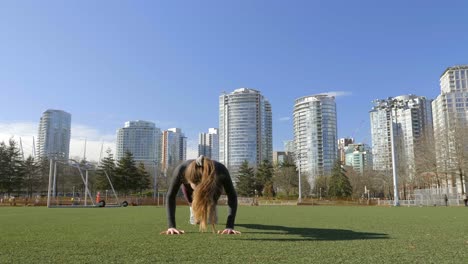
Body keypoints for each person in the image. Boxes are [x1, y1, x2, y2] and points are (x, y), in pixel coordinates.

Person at [161, 156, 240, 235]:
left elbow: (232, 196)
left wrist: (229, 226)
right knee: (196, 221)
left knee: (211, 220)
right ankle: (193, 206)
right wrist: (171, 226)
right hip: (190, 192)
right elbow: (170, 196)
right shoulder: (181, 170)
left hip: (213, 190)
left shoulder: (220, 170)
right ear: (188, 180)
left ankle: (211, 205)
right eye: (196, 186)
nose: (199, 191)